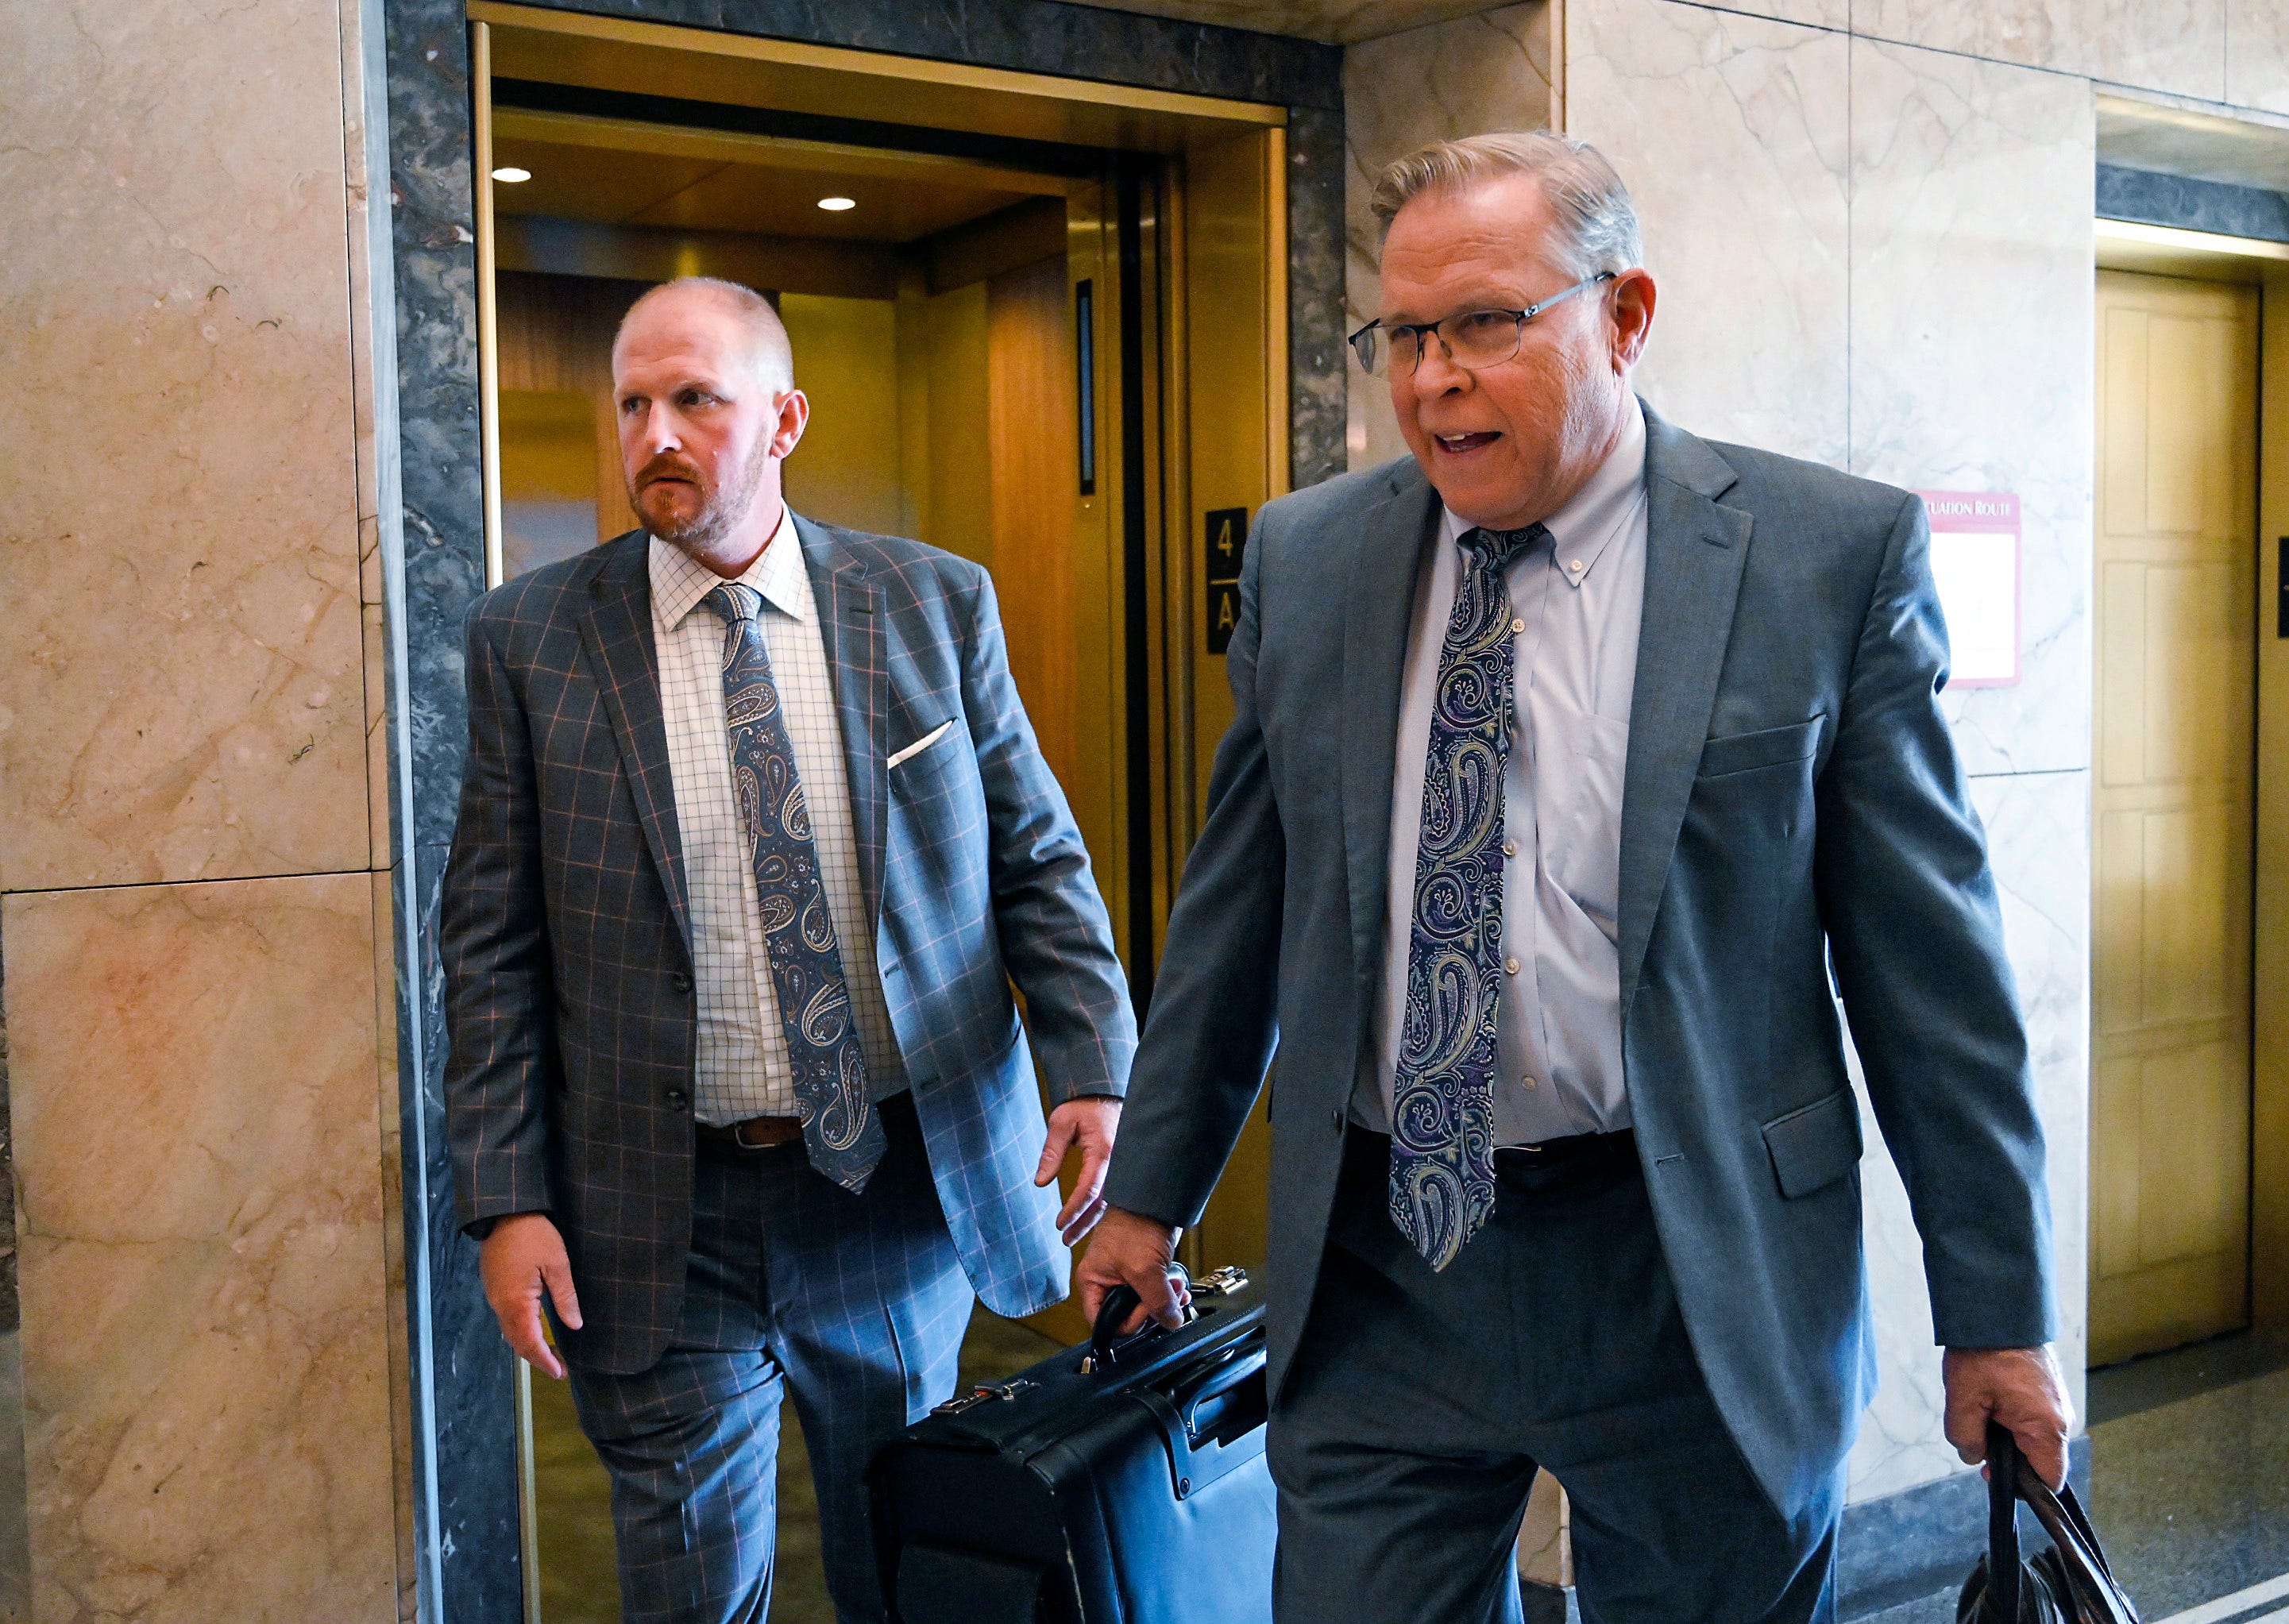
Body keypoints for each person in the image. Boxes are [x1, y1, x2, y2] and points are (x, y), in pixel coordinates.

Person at [1079, 132, 2071, 1624]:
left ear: (1624, 315)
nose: (1432, 380)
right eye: (1404, 334)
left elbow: (1932, 981)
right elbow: (1238, 910)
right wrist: (1148, 1193)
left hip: (1692, 1267)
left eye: (1484, 322)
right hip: (1388, 1261)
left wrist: (1993, 1312)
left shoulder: (1821, 558)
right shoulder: (1310, 559)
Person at [442, 276, 1137, 1624]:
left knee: (907, 1565)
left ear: (784, 419)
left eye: (694, 399)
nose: (654, 433)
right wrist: (506, 1194)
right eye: (632, 403)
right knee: (692, 1591)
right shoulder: (530, 639)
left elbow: (1035, 861)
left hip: (887, 1191)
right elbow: (490, 947)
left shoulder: (929, 602)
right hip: (661, 1206)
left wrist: (1093, 1064)